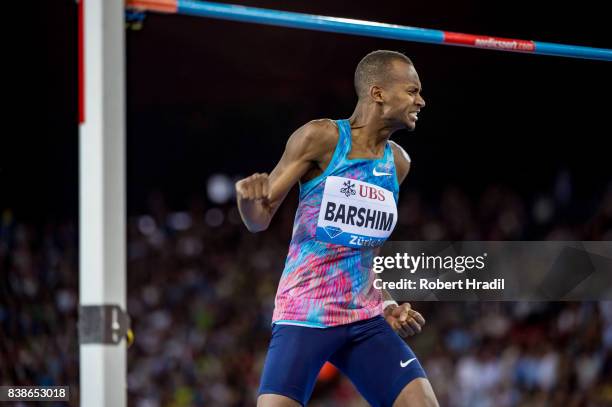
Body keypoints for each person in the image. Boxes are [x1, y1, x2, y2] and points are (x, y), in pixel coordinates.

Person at [236, 50, 438, 407]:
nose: (420, 100)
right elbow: (259, 219)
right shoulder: (322, 138)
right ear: (378, 93)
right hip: (307, 314)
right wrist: (248, 202)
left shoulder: (398, 163)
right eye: (412, 90)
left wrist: (387, 303)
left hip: (365, 318)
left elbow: (363, 250)